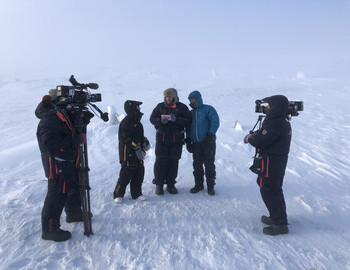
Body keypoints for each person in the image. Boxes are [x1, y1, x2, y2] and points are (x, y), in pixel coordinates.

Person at [36, 95, 84, 242]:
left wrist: (80, 120)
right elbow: (50, 141)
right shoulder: (49, 118)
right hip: (57, 164)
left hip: (66, 161)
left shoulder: (58, 114)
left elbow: (66, 129)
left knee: (71, 187)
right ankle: (50, 230)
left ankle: (73, 213)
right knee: (57, 194)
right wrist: (73, 140)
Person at [244, 95, 291, 235]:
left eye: (269, 106)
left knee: (269, 189)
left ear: (276, 107)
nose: (267, 108)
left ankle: (280, 223)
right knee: (272, 188)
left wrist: (250, 138)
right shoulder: (280, 120)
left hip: (271, 161)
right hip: (274, 160)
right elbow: (266, 136)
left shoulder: (275, 122)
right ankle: (276, 216)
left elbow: (262, 141)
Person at [150, 88, 191, 195]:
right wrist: (160, 121)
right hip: (162, 139)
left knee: (173, 162)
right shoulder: (160, 106)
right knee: (160, 162)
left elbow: (188, 121)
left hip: (176, 140)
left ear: (175, 97)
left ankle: (170, 184)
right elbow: (152, 119)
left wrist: (176, 119)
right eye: (166, 97)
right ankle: (159, 185)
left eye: (170, 96)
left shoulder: (182, 107)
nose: (168, 99)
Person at [113, 100, 150, 203]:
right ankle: (118, 194)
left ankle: (137, 194)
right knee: (125, 175)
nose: (139, 108)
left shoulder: (137, 122)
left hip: (138, 154)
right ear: (132, 108)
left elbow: (139, 136)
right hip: (128, 153)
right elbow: (126, 136)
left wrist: (144, 141)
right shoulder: (127, 121)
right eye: (138, 107)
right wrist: (135, 145)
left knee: (139, 173)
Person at [186, 90, 220, 195]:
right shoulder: (191, 113)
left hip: (208, 142)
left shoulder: (208, 109)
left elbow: (215, 120)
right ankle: (198, 185)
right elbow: (188, 127)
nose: (192, 101)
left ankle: (210, 186)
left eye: (193, 99)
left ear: (198, 99)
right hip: (196, 143)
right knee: (197, 165)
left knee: (209, 164)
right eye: (190, 100)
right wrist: (188, 140)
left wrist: (210, 134)